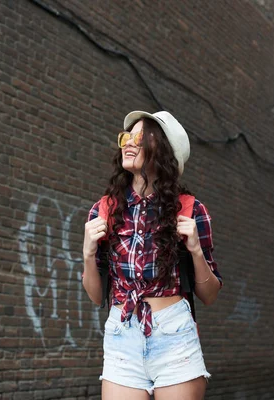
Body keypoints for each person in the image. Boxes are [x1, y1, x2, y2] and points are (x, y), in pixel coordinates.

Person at [82, 110, 223, 400]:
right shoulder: (104, 210)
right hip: (122, 336)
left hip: (173, 336)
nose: (128, 143)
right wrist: (87, 254)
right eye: (125, 137)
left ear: (162, 150)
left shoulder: (191, 210)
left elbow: (209, 296)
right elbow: (97, 297)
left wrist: (195, 250)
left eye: (139, 137)